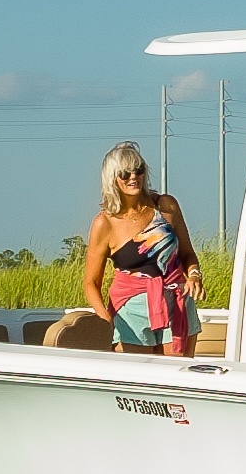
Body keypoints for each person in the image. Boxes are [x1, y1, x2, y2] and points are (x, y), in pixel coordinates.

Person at [82, 142, 204, 356]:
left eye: (138, 170)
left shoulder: (166, 206)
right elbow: (91, 283)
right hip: (131, 314)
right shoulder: (105, 223)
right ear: (112, 178)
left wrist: (194, 275)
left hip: (178, 305)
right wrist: (105, 319)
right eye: (125, 172)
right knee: (135, 382)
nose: (133, 177)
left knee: (176, 381)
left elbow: (187, 254)